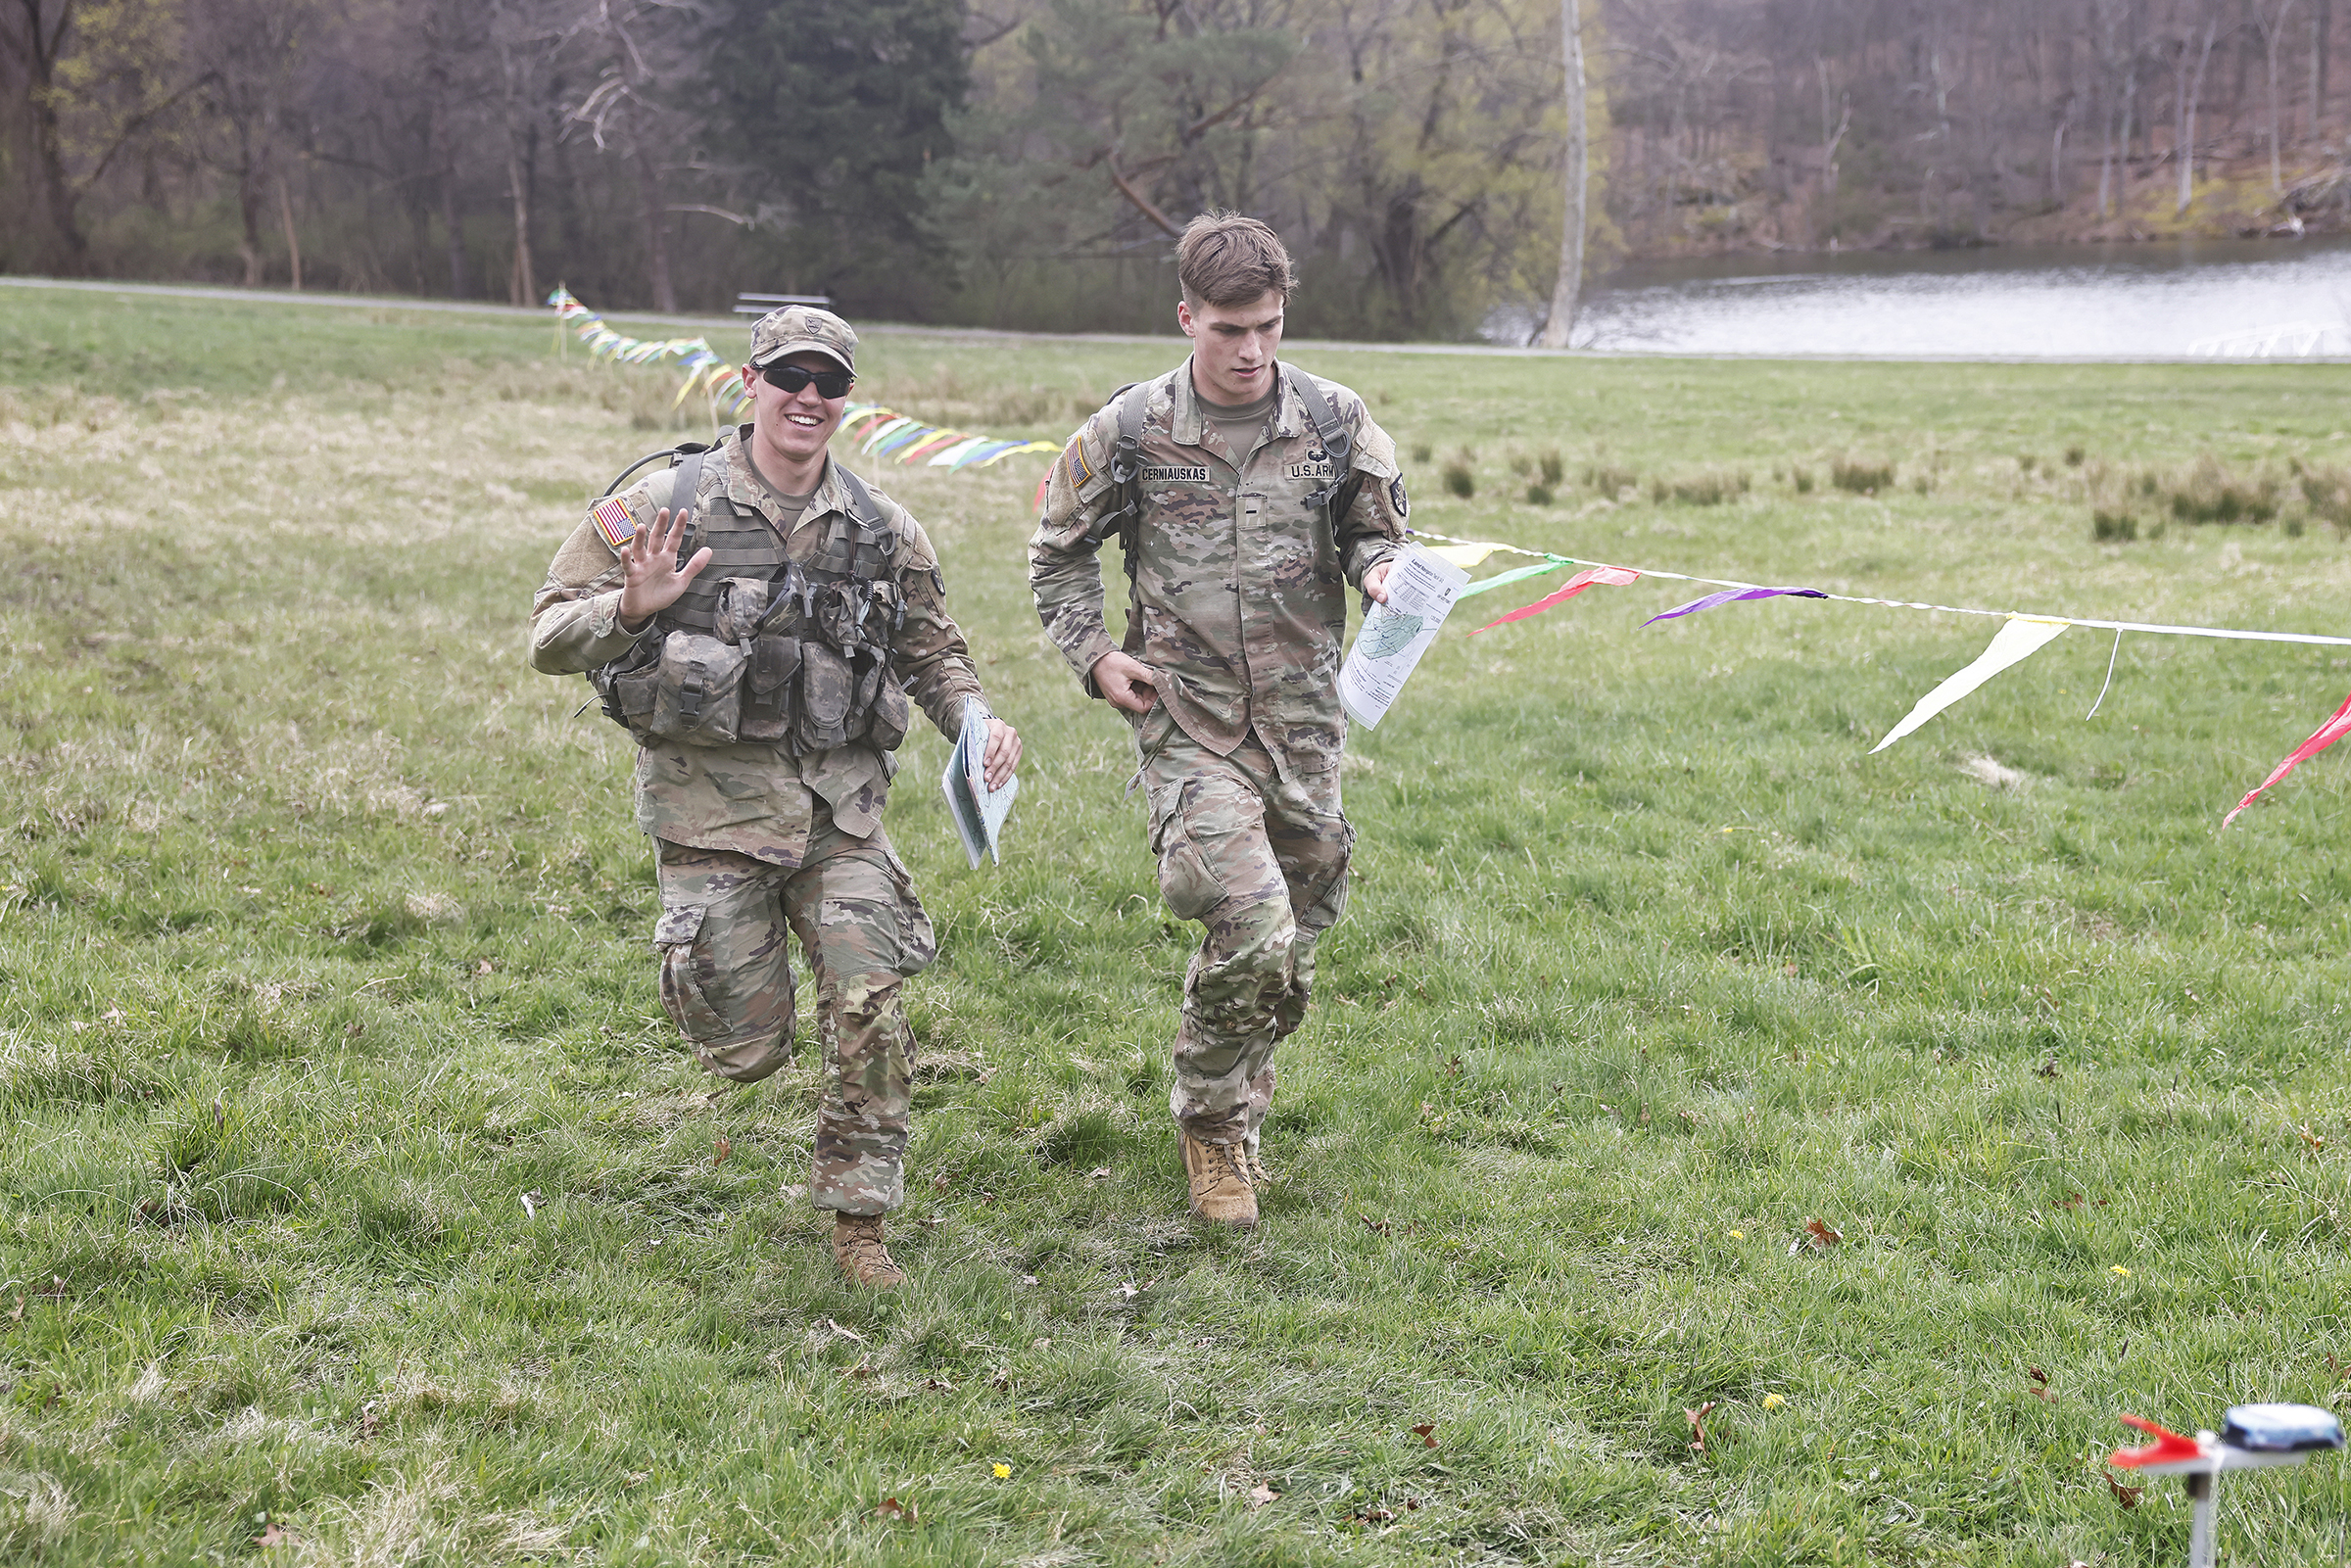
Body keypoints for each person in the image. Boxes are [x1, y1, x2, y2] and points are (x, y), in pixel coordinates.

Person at [531, 305, 1021, 1288]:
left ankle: (858, 1221)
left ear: (847, 400)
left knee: (870, 1000)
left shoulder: (883, 527)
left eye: (829, 383)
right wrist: (633, 606)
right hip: (709, 814)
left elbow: (933, 650)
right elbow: (547, 636)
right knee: (748, 1048)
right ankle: (713, 987)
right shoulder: (662, 502)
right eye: (789, 376)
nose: (809, 397)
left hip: (838, 811)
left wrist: (976, 720)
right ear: (748, 382)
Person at [1029, 213, 1408, 1228]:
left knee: (1294, 941)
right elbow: (1056, 551)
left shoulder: (1334, 422)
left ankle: (1242, 1090)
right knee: (1250, 918)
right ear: (1186, 315)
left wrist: (1377, 569)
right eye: (1229, 329)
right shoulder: (1132, 429)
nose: (1250, 352)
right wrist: (1095, 652)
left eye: (1269, 328)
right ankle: (1211, 1128)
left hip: (1303, 723)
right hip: (1187, 717)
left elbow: (1377, 531)